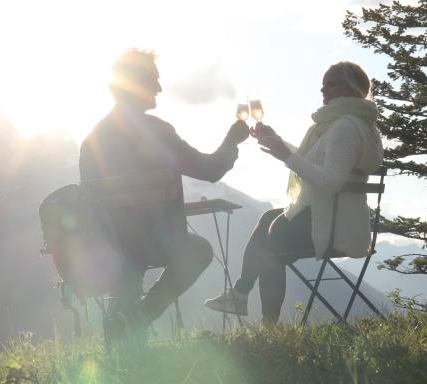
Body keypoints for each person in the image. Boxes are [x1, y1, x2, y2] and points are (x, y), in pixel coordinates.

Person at [79, 48, 250, 334]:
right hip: (156, 242)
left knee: (129, 262)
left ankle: (123, 330)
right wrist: (232, 141)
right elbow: (210, 170)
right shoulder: (157, 133)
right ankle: (141, 316)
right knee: (199, 250)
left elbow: (97, 200)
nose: (159, 87)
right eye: (153, 80)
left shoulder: (93, 140)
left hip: (108, 246)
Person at [204, 61, 384, 324]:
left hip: (335, 224)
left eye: (332, 83)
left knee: (274, 237)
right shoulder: (348, 124)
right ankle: (241, 294)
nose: (324, 89)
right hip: (335, 214)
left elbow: (330, 181)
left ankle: (268, 325)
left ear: (355, 88)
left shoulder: (345, 127)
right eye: (323, 84)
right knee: (268, 219)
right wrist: (278, 144)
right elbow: (312, 161)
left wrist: (286, 155)